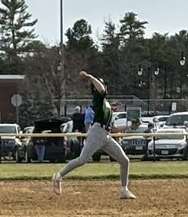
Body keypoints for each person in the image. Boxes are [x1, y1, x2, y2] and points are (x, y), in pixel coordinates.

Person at [52, 71, 135, 199]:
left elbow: (114, 129)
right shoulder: (98, 97)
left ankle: (124, 190)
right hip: (96, 133)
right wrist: (90, 77)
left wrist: (130, 126)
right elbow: (101, 89)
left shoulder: (106, 104)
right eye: (100, 84)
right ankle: (58, 176)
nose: (103, 86)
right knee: (82, 160)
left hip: (106, 135)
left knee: (125, 161)